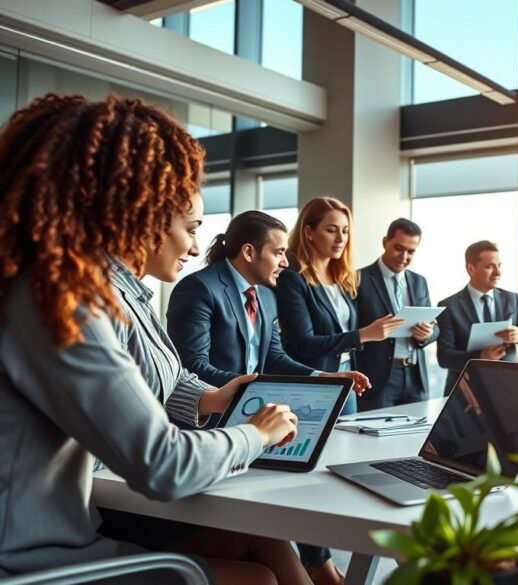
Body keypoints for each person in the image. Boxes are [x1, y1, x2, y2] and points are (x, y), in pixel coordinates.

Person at [0, 94, 298, 583]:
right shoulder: (61, 298)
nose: (198, 246)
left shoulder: (63, 282)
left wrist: (215, 396)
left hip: (54, 538)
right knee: (259, 579)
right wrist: (256, 434)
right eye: (191, 228)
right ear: (140, 208)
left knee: (265, 540)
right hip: (34, 565)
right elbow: (164, 465)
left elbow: (170, 376)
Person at [167, 209, 367, 585]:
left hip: (254, 425)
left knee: (299, 488)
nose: (285, 262)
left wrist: (324, 376)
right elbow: (192, 368)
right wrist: (261, 389)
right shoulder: (199, 288)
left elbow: (275, 357)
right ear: (248, 252)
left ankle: (318, 565)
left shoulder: (267, 297)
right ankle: (320, 567)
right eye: (278, 253)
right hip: (207, 430)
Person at [275, 197, 403, 415]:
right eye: (331, 230)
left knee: (348, 445)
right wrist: (363, 334)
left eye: (345, 231)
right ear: (309, 232)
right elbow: (303, 343)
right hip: (314, 382)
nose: (340, 238)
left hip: (347, 377)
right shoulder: (292, 278)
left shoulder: (343, 279)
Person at [436, 240, 518, 396]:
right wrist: (480, 357)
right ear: (471, 269)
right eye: (490, 266)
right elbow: (444, 357)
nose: (498, 273)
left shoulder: (511, 299)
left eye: (499, 266)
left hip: (509, 390)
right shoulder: (449, 306)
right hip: (466, 393)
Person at [355, 218, 439, 410]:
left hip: (415, 376)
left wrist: (426, 334)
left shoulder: (419, 282)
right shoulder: (358, 279)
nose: (404, 256)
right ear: (385, 242)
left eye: (411, 251)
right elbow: (351, 329)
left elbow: (435, 328)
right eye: (398, 248)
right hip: (377, 377)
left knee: (417, 437)